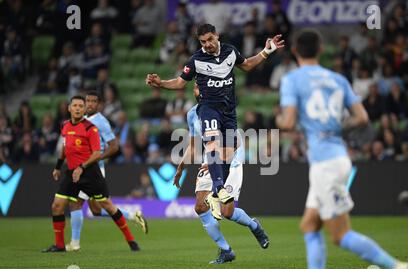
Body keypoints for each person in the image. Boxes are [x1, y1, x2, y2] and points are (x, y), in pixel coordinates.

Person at [276, 30, 408, 269]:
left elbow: (289, 123)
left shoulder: (292, 79)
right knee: (308, 225)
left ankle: (398, 268)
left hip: (326, 165)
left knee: (340, 235)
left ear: (295, 50)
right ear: (319, 50)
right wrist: (336, 128)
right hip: (337, 157)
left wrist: (280, 120)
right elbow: (362, 117)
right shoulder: (337, 79)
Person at [146, 23, 284, 218]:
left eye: (210, 39)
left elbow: (247, 65)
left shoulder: (230, 51)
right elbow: (179, 82)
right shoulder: (196, 60)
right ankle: (218, 190)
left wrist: (266, 51)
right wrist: (160, 83)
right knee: (211, 144)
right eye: (203, 42)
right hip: (209, 108)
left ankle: (217, 192)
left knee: (227, 153)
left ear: (217, 36)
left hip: (229, 111)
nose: (207, 44)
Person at [172, 85, 269, 264]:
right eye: (195, 86)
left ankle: (254, 226)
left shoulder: (223, 107)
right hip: (211, 159)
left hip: (230, 159)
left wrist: (220, 163)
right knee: (200, 207)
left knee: (227, 212)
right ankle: (226, 250)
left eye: (200, 86)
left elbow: (235, 141)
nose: (197, 89)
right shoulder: (192, 114)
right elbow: (193, 146)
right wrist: (180, 168)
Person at [42, 96, 140, 253]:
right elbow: (65, 148)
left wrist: (82, 166)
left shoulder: (91, 128)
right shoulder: (65, 126)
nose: (78, 108)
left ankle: (131, 240)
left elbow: (96, 153)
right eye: (75, 105)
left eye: (81, 105)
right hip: (72, 173)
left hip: (90, 174)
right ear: (69, 108)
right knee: (57, 205)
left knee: (107, 206)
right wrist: (58, 167)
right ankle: (60, 245)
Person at [65, 92, 148, 252]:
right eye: (87, 101)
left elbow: (114, 146)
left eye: (93, 101)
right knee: (96, 210)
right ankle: (131, 215)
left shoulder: (101, 122)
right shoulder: (82, 120)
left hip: (93, 169)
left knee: (76, 203)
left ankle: (75, 243)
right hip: (83, 167)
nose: (89, 104)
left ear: (99, 104)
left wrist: (96, 158)